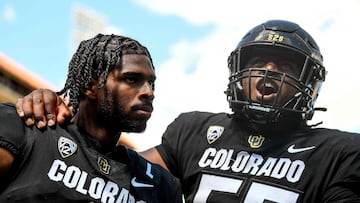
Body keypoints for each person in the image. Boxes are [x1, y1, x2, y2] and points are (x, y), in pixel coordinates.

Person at [15, 20, 360, 202]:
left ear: (309, 83)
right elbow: (108, 172)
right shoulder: (194, 129)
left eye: (285, 65)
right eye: (257, 61)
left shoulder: (340, 153)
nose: (267, 72)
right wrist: (59, 117)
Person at [0, 34, 182, 202]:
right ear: (90, 86)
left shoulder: (160, 186)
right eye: (131, 79)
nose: (149, 93)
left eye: (150, 83)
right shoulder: (28, 129)